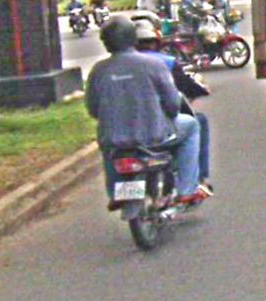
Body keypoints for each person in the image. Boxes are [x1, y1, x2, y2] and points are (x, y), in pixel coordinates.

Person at [85, 15, 211, 210]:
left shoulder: (98, 70)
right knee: (193, 125)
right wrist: (167, 114)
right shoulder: (153, 65)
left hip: (115, 138)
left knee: (109, 146)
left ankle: (115, 192)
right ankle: (188, 189)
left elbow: (93, 108)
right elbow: (172, 102)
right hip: (154, 136)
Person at [134, 20, 212, 190]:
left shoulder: (110, 67)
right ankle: (194, 182)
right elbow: (175, 98)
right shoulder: (164, 62)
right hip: (157, 129)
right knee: (196, 124)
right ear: (156, 42)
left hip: (123, 133)